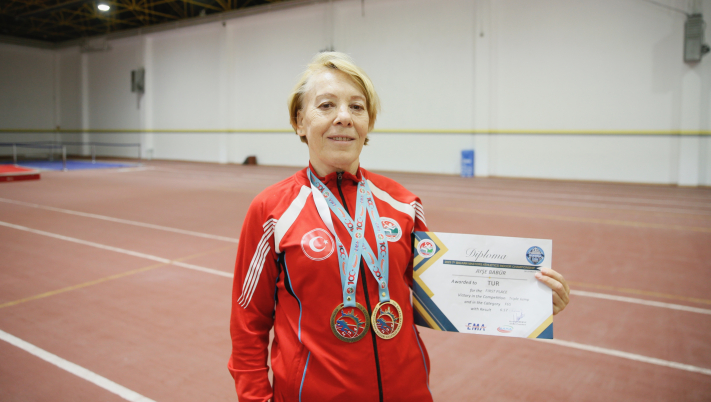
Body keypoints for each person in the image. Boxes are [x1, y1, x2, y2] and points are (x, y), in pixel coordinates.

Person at [228, 52, 570, 402]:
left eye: (357, 107)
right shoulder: (272, 211)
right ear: (300, 121)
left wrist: (528, 298)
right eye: (327, 105)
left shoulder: (403, 203)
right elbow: (247, 324)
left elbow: (442, 293)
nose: (344, 117)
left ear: (369, 122)